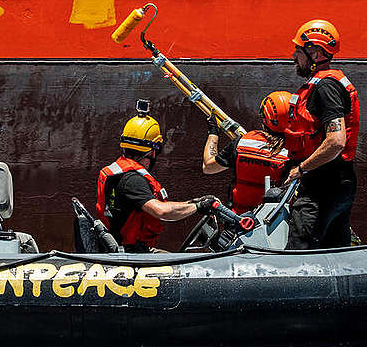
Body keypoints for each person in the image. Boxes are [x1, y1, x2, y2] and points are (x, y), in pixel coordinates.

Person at [96, 103, 220, 252]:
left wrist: (192, 202)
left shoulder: (120, 171)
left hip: (125, 247)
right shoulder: (132, 180)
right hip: (131, 253)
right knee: (181, 266)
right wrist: (198, 207)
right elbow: (162, 211)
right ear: (153, 151)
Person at [282, 19, 359, 249]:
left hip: (323, 185)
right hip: (335, 183)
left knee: (301, 255)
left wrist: (300, 169)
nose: (294, 56)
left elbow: (336, 141)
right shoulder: (323, 84)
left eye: (298, 50)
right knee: (335, 251)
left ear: (315, 54)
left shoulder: (326, 87)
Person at [201, 92, 291, 215]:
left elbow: (208, 167)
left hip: (239, 221)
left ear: (264, 117)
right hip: (276, 222)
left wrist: (213, 131)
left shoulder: (244, 142)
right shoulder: (296, 151)